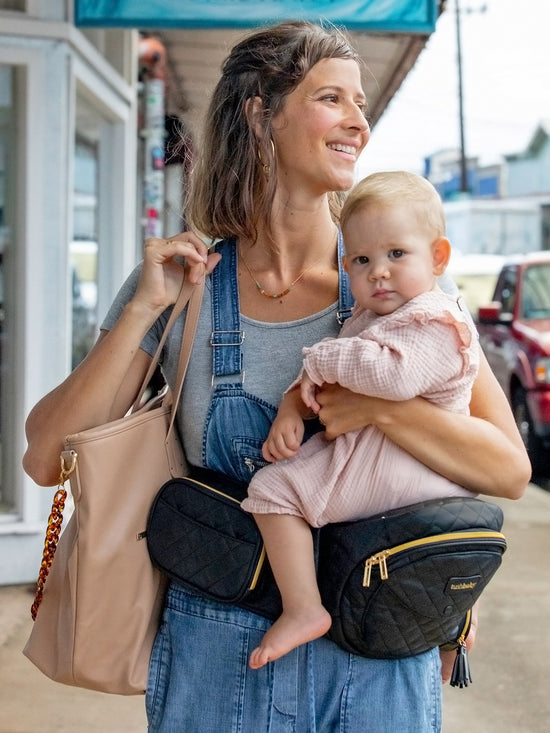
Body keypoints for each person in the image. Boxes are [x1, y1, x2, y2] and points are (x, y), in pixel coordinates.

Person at [23, 20, 530, 733]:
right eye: (332, 98)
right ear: (261, 111)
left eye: (361, 103)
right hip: (218, 656)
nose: (358, 120)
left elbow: (509, 470)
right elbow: (45, 454)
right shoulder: (186, 284)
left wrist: (383, 410)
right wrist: (143, 309)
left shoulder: (405, 292)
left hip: (377, 656)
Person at [241, 170, 481, 669]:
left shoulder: (436, 319)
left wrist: (319, 359)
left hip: (412, 475)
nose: (379, 272)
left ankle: (304, 608)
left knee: (272, 492)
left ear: (438, 258)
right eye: (363, 260)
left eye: (397, 254)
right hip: (387, 466)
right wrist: (292, 405)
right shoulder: (370, 318)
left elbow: (390, 376)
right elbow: (332, 374)